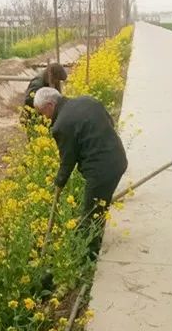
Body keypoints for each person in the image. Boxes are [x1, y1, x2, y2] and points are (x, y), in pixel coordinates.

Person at [33, 87, 128, 259]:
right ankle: (91, 242)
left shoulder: (61, 125)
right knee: (98, 206)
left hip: (102, 171)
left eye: (42, 113)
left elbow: (68, 160)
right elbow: (110, 122)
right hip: (118, 158)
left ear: (49, 105)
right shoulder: (87, 100)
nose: (43, 117)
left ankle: (87, 256)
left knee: (90, 215)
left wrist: (59, 182)